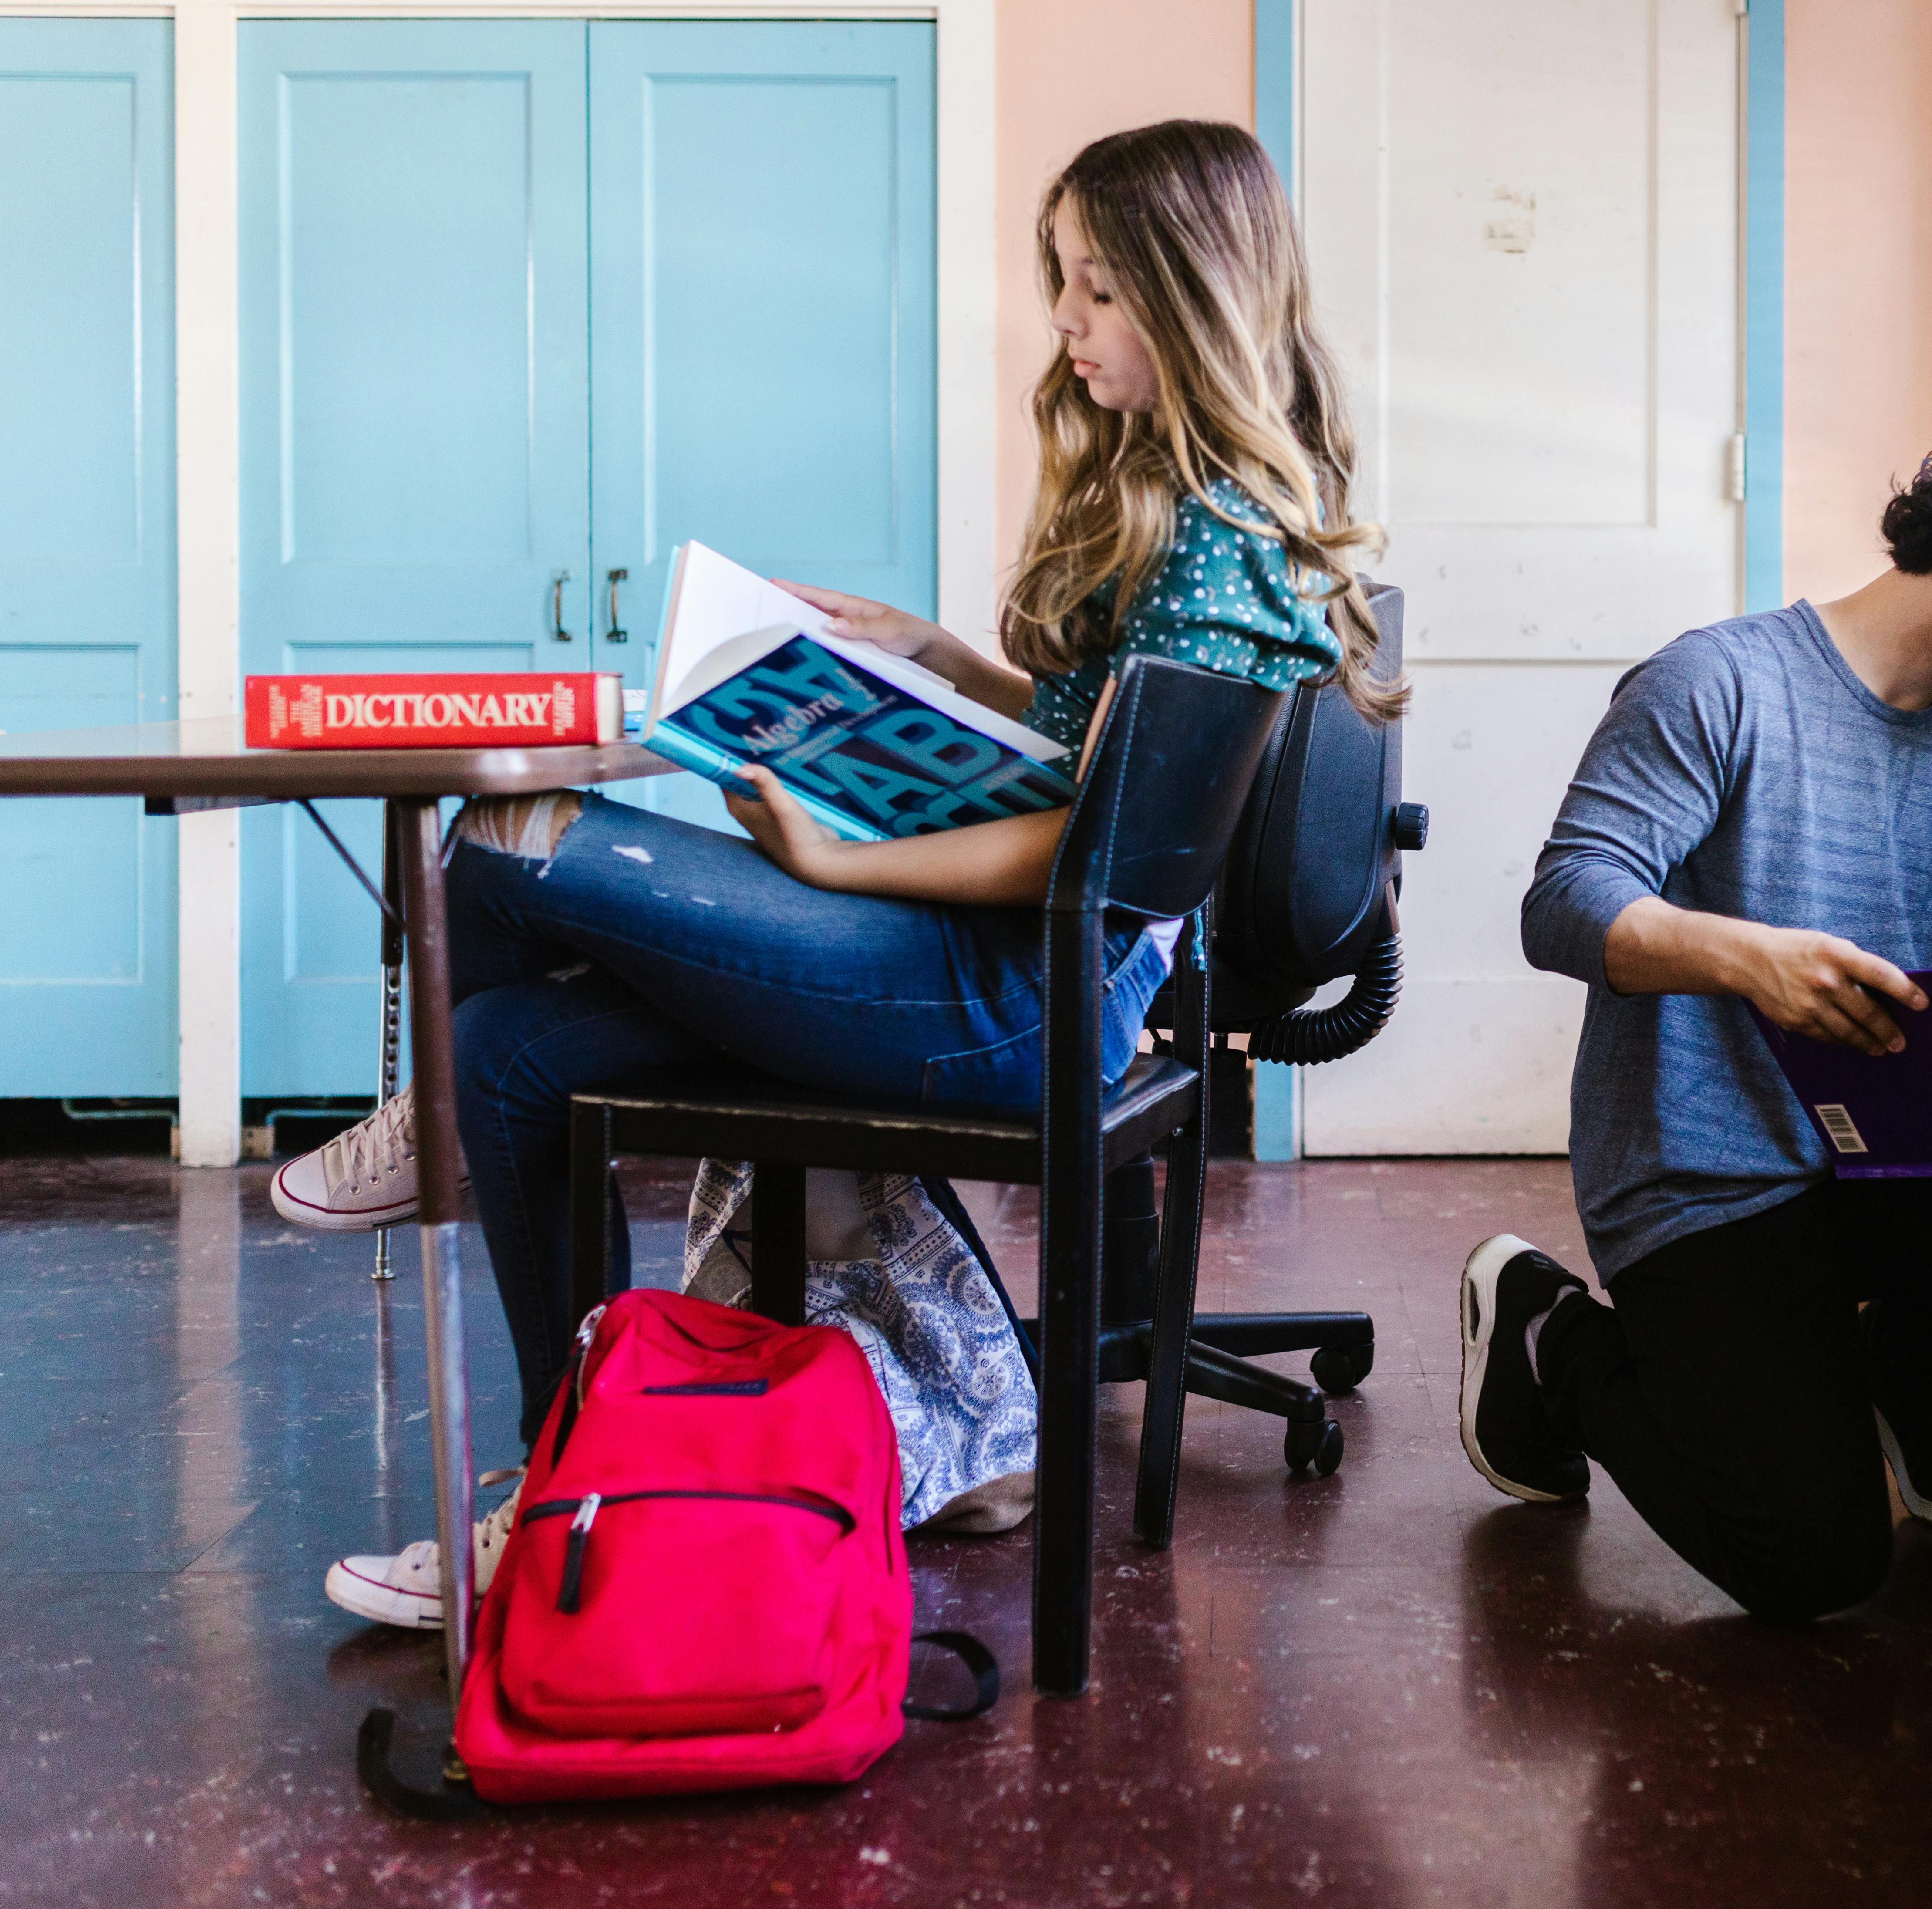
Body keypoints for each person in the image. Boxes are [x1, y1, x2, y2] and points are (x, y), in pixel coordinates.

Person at [280, 119, 1399, 1629]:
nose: (1062, 321)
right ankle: (574, 1491)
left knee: (500, 845)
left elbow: (1106, 856)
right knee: (510, 1048)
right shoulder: (1209, 512)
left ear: (1191, 297)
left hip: (1018, 997)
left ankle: (440, 1159)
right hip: (1015, 970)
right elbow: (1104, 761)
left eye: (1096, 290)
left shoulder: (1218, 534)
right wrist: (941, 664)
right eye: (1060, 283)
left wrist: (847, 854)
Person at [1457, 415, 1932, 1622]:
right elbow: (1564, 905)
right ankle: (1550, 1336)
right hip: (1706, 1179)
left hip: (1880, 1163)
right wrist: (1748, 960)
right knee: (1815, 1565)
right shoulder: (1722, 680)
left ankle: (1912, 1372)